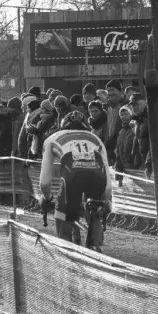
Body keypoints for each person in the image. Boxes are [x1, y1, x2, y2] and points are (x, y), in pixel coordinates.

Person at [39, 111, 112, 249]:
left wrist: (47, 197)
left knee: (63, 207)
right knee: (95, 210)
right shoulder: (96, 139)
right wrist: (106, 201)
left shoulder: (51, 138)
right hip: (98, 179)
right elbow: (108, 185)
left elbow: (44, 182)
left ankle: (65, 246)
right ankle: (95, 245)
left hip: (71, 178)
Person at [114, 105, 138, 187]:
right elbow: (118, 152)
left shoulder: (136, 128)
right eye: (121, 115)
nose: (123, 116)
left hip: (136, 168)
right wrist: (119, 177)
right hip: (126, 168)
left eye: (126, 114)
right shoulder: (121, 132)